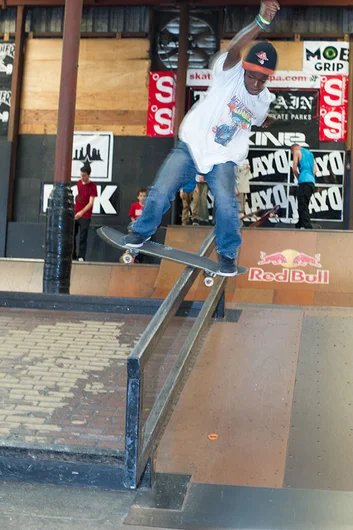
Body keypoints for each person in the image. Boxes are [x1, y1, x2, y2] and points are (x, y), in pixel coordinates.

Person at [124, 0, 280, 277]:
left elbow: (257, 118)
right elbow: (234, 48)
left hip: (223, 158)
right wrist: (261, 22)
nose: (255, 84)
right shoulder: (230, 72)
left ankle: (228, 255)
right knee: (160, 191)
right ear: (245, 69)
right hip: (192, 147)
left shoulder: (263, 99)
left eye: (262, 80)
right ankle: (141, 233)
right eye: (252, 77)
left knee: (226, 203)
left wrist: (264, 120)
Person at [73, 164, 98, 262]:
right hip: (76, 213)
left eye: (84, 175)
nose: (82, 177)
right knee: (72, 235)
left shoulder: (93, 186)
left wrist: (81, 212)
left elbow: (91, 203)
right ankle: (73, 254)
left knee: (83, 236)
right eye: (81, 175)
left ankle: (81, 256)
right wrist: (76, 211)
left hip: (85, 215)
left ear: (89, 175)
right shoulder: (79, 183)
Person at [291, 144, 317, 229]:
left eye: (292, 153)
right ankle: (300, 222)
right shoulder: (310, 154)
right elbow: (315, 170)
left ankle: (307, 225)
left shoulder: (297, 152)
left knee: (302, 204)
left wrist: (299, 177)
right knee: (304, 203)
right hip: (311, 182)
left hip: (304, 180)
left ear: (294, 149)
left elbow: (294, 169)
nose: (293, 154)